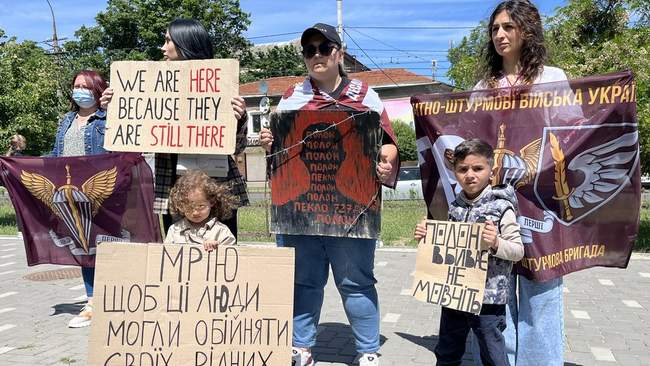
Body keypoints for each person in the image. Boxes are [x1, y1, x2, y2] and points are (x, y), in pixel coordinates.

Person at [260, 23, 399, 366]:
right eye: (310, 50)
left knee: (356, 282)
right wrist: (269, 142)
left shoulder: (366, 95)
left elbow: (388, 144)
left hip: (351, 208)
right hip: (301, 208)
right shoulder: (293, 96)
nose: (317, 55)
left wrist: (385, 164)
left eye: (324, 48)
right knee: (304, 282)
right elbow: (280, 148)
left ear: (339, 53)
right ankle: (301, 346)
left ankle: (367, 350)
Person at [472, 1, 578, 364]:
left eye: (508, 27)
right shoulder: (483, 87)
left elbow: (573, 134)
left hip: (540, 205)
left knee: (542, 297)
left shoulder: (552, 78)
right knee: (494, 295)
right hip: (493, 210)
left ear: (527, 30)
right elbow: (469, 139)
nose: (500, 35)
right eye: (495, 28)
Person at [101, 18, 249, 238]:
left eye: (168, 40)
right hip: (172, 187)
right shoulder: (153, 84)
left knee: (219, 257)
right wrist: (115, 106)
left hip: (214, 188)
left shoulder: (220, 83)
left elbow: (236, 148)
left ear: (185, 43)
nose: (163, 47)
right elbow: (129, 135)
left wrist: (239, 118)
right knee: (178, 258)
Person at [414, 139, 524, 366]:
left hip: (489, 299)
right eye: (463, 169)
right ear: (454, 172)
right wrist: (428, 237)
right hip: (455, 295)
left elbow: (518, 251)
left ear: (491, 171)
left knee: (492, 353)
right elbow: (446, 247)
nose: (470, 175)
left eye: (477, 168)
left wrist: (495, 243)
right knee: (447, 349)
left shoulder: (502, 207)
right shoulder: (454, 206)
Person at [51, 70, 109, 328]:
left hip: (102, 194)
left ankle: (111, 297)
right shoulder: (66, 120)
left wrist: (112, 109)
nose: (80, 90)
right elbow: (55, 155)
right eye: (76, 86)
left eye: (86, 86)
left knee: (106, 247)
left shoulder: (107, 118)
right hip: (73, 196)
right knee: (85, 248)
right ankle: (92, 301)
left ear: (98, 90)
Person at [164, 170, 237, 249]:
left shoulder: (221, 231)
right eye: (189, 207)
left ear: (212, 202)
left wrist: (218, 247)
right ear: (180, 205)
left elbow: (230, 256)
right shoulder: (175, 230)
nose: (195, 212)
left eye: (201, 206)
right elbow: (166, 255)